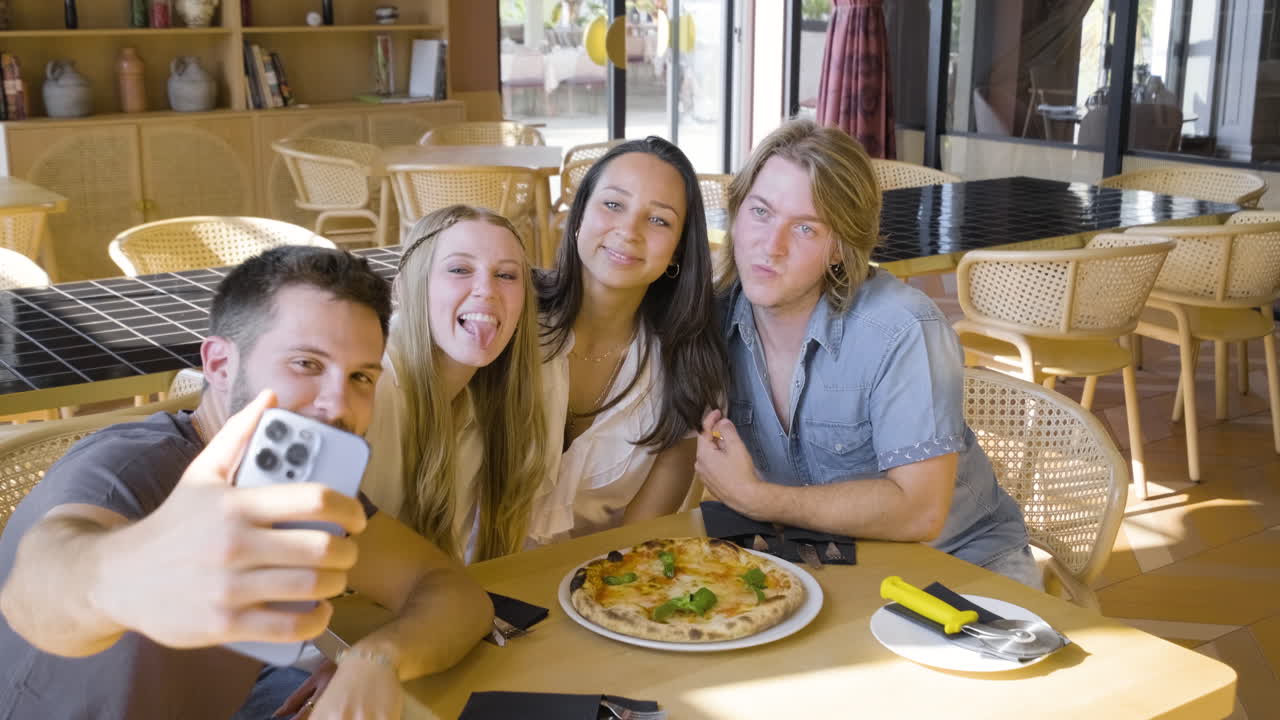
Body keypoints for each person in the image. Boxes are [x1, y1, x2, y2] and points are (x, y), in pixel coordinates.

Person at [0, 246, 494, 719]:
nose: (338, 404)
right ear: (219, 364)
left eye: (360, 378)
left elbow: (452, 592)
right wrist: (123, 578)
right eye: (306, 364)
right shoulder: (128, 467)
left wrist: (374, 659)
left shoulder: (294, 483)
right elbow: (40, 586)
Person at [694, 118, 1040, 587]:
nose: (770, 247)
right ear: (736, 215)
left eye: (805, 228)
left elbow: (920, 512)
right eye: (760, 212)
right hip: (822, 562)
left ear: (839, 249)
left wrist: (757, 499)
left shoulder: (901, 329)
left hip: (959, 562)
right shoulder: (713, 320)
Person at [532, 137, 728, 544]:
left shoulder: (687, 368)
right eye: (613, 204)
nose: (629, 230)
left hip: (593, 576)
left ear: (677, 251)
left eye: (658, 220)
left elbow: (634, 543)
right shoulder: (506, 319)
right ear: (579, 215)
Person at [360, 205, 550, 564]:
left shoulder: (485, 400)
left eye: (506, 275)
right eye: (460, 269)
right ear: (404, 287)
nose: (486, 291)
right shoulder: (371, 390)